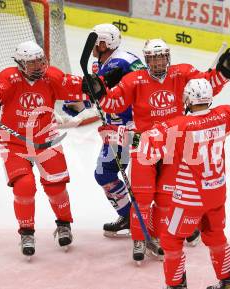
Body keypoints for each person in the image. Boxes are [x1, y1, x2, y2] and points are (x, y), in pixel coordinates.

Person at [86, 38, 230, 263]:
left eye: (161, 57)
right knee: (142, 198)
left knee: (165, 199)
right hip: (145, 148)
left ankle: (158, 236)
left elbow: (207, 85)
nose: (158, 62)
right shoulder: (134, 80)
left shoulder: (182, 73)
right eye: (154, 58)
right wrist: (99, 92)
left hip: (174, 147)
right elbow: (113, 104)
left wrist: (225, 70)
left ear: (167, 57)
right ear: (147, 60)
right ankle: (139, 238)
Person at [144, 61, 230, 289]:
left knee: (171, 240)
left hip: (190, 199)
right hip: (217, 193)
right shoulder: (224, 115)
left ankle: (176, 285)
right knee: (215, 235)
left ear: (187, 100)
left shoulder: (178, 125)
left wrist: (137, 138)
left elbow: (149, 150)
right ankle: (228, 282)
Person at [0, 40, 86, 257]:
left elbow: (76, 85)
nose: (38, 66)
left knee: (56, 187)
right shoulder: (9, 77)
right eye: (32, 63)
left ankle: (64, 224)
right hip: (14, 141)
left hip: (47, 138)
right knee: (24, 185)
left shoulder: (51, 76)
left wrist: (98, 85)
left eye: (40, 61)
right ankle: (26, 232)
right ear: (20, 64)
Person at [88, 23, 146, 238]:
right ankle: (131, 217)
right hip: (116, 131)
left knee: (148, 181)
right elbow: (94, 94)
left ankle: (184, 228)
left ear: (104, 43)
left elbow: (147, 84)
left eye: (95, 42)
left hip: (136, 130)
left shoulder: (124, 62)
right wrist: (71, 107)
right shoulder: (102, 64)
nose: (92, 47)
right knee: (105, 173)